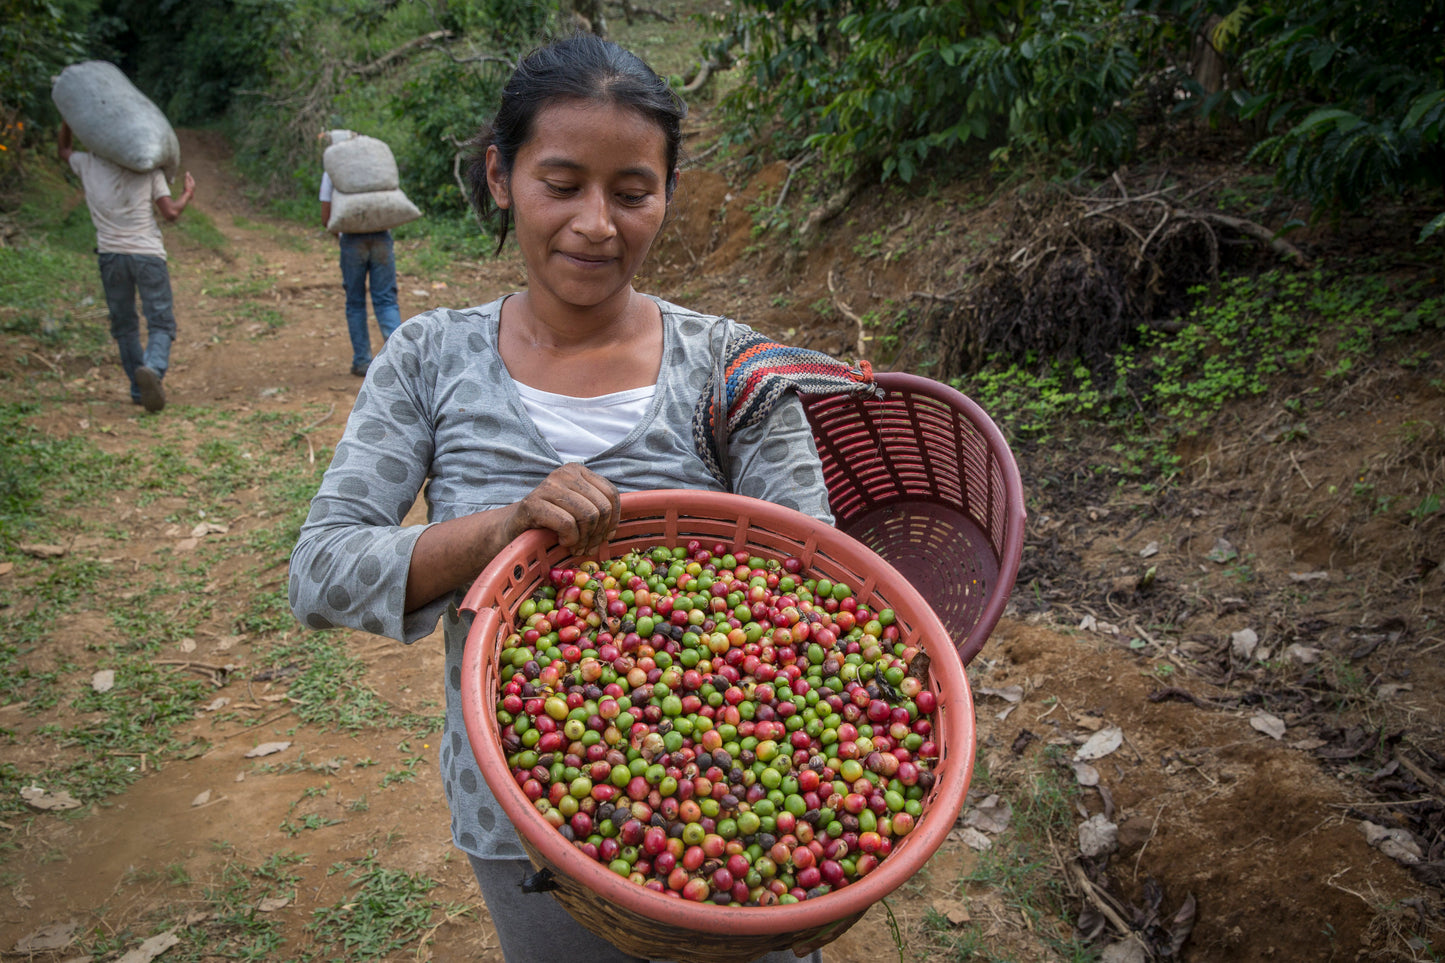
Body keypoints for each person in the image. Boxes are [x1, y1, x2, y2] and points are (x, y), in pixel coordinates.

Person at [290, 34, 854, 963]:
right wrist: (501, 530)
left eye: (632, 192)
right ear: (500, 177)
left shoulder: (732, 365)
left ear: (667, 193)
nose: (598, 222)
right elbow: (320, 570)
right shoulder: (428, 359)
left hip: (746, 816)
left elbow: (819, 579)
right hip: (522, 821)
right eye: (562, 184)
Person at [58, 121, 195, 413]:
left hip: (110, 256)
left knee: (125, 326)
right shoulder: (147, 168)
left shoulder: (88, 164)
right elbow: (170, 213)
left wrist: (69, 120)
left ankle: (138, 389)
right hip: (147, 255)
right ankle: (154, 370)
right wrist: (186, 194)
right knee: (160, 321)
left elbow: (64, 150)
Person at [319, 130, 402, 377]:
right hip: (382, 239)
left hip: (351, 242)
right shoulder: (376, 165)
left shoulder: (332, 170)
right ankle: (399, 361)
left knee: (355, 301)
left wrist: (342, 233)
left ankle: (362, 361)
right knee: (386, 299)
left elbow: (326, 216)